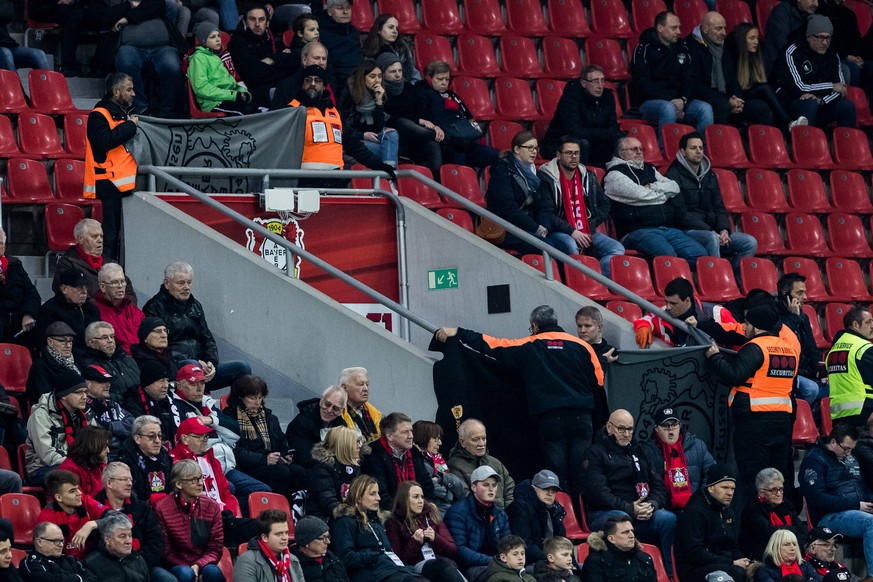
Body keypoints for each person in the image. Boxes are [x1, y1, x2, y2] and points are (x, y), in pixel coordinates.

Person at [435, 305, 604, 495]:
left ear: (535, 326)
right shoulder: (584, 347)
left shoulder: (529, 345)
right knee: (582, 473)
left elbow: (493, 345)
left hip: (549, 419)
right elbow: (598, 383)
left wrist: (459, 332)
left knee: (557, 476)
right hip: (582, 418)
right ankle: (584, 519)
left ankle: (564, 518)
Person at [705, 305, 797, 501]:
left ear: (756, 327)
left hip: (755, 422)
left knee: (753, 477)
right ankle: (782, 519)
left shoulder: (755, 347)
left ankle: (757, 523)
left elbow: (735, 375)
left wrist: (714, 357)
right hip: (782, 420)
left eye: (747, 324)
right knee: (778, 477)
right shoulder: (789, 349)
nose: (744, 328)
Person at [582, 409, 676, 578]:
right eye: (621, 429)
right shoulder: (596, 452)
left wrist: (652, 505)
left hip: (641, 512)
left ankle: (668, 575)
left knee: (668, 519)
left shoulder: (640, 451)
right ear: (609, 427)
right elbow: (598, 493)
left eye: (630, 429)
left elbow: (659, 487)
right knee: (621, 520)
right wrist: (629, 508)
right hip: (606, 513)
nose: (627, 434)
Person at [142, 261, 252, 390]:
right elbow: (158, 348)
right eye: (181, 283)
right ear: (167, 283)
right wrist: (194, 363)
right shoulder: (153, 308)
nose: (186, 287)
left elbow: (208, 339)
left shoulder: (196, 306)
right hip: (176, 367)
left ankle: (238, 409)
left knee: (242, 367)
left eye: (189, 282)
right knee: (192, 365)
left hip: (202, 367)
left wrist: (211, 362)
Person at [289, 64, 397, 189]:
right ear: (302, 84)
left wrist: (381, 166)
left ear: (324, 86)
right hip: (303, 180)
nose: (312, 84)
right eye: (307, 80)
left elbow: (353, 145)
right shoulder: (292, 110)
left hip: (336, 179)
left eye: (317, 80)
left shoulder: (334, 112)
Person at [604, 136, 708, 263]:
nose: (639, 152)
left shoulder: (649, 169)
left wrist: (652, 186)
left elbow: (674, 186)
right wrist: (664, 195)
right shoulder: (614, 174)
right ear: (621, 153)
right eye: (634, 149)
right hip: (636, 230)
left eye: (641, 149)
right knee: (668, 256)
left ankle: (685, 280)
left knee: (700, 255)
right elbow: (641, 194)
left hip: (666, 228)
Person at [664, 133, 757, 274]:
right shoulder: (672, 176)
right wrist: (711, 231)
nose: (698, 151)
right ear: (683, 152)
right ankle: (718, 280)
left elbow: (719, 206)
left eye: (701, 148)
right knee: (712, 239)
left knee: (750, 242)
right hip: (687, 230)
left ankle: (735, 281)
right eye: (693, 148)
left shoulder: (709, 174)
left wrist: (724, 230)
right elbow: (681, 214)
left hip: (713, 229)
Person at [537, 136, 625, 277]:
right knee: (571, 246)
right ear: (558, 155)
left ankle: (598, 281)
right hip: (560, 231)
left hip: (586, 229)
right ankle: (578, 284)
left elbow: (605, 205)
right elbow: (547, 214)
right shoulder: (547, 178)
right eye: (569, 153)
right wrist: (572, 231)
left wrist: (591, 222)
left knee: (616, 248)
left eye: (577, 153)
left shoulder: (588, 176)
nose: (574, 157)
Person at [485, 131, 580, 257]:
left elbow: (543, 207)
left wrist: (544, 228)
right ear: (517, 149)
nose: (534, 152)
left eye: (536, 148)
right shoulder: (503, 172)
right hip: (507, 228)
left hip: (529, 227)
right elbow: (508, 208)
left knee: (563, 247)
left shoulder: (536, 174)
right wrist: (536, 228)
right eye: (529, 148)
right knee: (551, 248)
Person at [798, 423, 873, 567]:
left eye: (852, 449)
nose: (849, 454)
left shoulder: (850, 458)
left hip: (857, 510)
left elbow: (863, 487)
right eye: (846, 449)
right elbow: (818, 499)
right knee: (871, 523)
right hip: (828, 517)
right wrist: (856, 505)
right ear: (833, 442)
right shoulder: (814, 460)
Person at [331, 474, 429, 582]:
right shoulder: (345, 522)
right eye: (373, 494)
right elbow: (345, 558)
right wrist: (374, 555)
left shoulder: (377, 521)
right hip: (370, 574)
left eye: (378, 493)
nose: (379, 498)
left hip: (390, 570)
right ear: (359, 497)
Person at [224, 374, 306, 500]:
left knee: (298, 471)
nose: (257, 402)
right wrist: (264, 459)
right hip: (247, 467)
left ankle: (293, 509)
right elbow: (235, 453)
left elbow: (281, 441)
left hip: (270, 462)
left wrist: (285, 454)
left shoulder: (270, 417)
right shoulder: (230, 419)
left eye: (260, 397)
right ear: (240, 397)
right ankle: (274, 510)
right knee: (281, 473)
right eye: (252, 398)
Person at [630, 11, 714, 135]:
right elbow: (643, 84)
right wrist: (673, 102)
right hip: (650, 103)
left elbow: (691, 79)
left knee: (705, 109)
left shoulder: (683, 48)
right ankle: (668, 151)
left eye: (679, 27)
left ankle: (701, 150)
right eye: (674, 28)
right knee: (667, 108)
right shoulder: (643, 49)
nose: (679, 32)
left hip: (680, 102)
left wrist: (683, 100)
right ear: (660, 28)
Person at [83, 76, 139, 261]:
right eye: (129, 89)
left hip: (125, 185)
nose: (133, 94)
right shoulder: (98, 115)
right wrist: (130, 126)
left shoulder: (122, 115)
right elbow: (104, 142)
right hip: (109, 183)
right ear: (116, 91)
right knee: (110, 236)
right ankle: (107, 273)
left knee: (123, 237)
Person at [685, 12, 775, 126]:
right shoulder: (691, 47)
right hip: (705, 99)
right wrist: (728, 101)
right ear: (705, 29)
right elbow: (696, 84)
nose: (723, 33)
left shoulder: (722, 48)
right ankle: (720, 142)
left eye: (724, 28)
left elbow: (732, 79)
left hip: (726, 98)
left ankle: (755, 141)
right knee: (721, 105)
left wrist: (738, 100)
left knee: (761, 107)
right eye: (718, 28)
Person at [94, 461, 174, 582]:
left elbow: (156, 541)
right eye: (124, 479)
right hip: (108, 568)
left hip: (143, 563)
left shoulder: (142, 508)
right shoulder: (94, 509)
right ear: (109, 483)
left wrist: (137, 562)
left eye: (130, 480)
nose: (129, 483)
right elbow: (95, 545)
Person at [774, 15, 857, 129]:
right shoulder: (792, 52)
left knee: (847, 106)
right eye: (820, 37)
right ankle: (802, 142)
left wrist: (821, 100)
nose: (824, 42)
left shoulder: (832, 55)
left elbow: (841, 89)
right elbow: (798, 87)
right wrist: (830, 86)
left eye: (828, 38)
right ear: (809, 36)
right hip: (793, 101)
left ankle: (846, 144)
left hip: (821, 102)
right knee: (809, 103)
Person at [415, 61, 499, 170]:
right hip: (447, 145)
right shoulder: (422, 95)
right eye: (440, 79)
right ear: (429, 79)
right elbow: (426, 121)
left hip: (466, 142)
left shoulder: (452, 95)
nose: (444, 82)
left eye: (447, 79)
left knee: (499, 157)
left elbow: (469, 118)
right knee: (461, 163)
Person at [674, 463, 749, 582]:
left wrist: (742, 560)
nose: (730, 493)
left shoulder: (727, 510)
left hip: (721, 562)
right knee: (737, 573)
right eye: (724, 488)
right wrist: (732, 562)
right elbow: (695, 553)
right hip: (694, 569)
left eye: (732, 488)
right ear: (711, 488)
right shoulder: (695, 511)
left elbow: (732, 544)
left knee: (754, 571)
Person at [155, 459, 225, 582]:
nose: (200, 483)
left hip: (204, 563)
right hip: (177, 564)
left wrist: (198, 565)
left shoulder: (212, 507)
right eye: (194, 480)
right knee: (185, 573)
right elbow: (165, 550)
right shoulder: (162, 508)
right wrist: (188, 567)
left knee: (213, 572)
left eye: (200, 478)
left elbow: (215, 548)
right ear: (179, 484)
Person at [726, 23, 806, 129]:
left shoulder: (756, 56)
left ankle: (781, 134)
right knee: (764, 88)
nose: (756, 42)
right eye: (751, 38)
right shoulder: (731, 57)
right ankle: (789, 123)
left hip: (748, 96)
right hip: (736, 99)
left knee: (770, 100)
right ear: (741, 40)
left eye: (757, 38)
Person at [378, 53, 443, 180]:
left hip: (415, 135)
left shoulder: (409, 88)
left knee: (432, 146)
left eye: (400, 70)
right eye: (392, 71)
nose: (398, 74)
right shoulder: (379, 90)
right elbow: (390, 117)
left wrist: (424, 122)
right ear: (383, 73)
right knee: (401, 122)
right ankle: (437, 135)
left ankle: (436, 188)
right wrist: (419, 121)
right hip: (394, 134)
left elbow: (418, 112)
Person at [25, 371, 96, 486]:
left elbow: (96, 444)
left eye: (86, 392)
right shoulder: (41, 415)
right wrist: (78, 464)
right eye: (79, 393)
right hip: (42, 469)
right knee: (75, 474)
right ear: (64, 395)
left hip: (78, 464)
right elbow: (47, 455)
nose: (85, 397)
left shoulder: (85, 413)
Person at [641, 406, 716, 512]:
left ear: (680, 425)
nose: (671, 429)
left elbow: (712, 473)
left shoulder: (697, 446)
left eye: (674, 425)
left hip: (696, 506)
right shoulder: (647, 451)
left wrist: (701, 499)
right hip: (664, 508)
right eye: (665, 426)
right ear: (656, 429)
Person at [385, 481, 463, 582]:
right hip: (417, 567)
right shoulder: (394, 522)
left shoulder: (432, 514)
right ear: (404, 499)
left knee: (447, 565)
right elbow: (399, 560)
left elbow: (453, 549)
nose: (421, 501)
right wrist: (415, 542)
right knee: (443, 564)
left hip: (444, 565)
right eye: (416, 497)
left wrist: (435, 538)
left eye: (422, 497)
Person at [443, 466, 511, 581]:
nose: (491, 489)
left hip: (497, 563)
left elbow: (509, 544)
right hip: (469, 567)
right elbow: (459, 550)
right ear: (473, 487)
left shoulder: (500, 513)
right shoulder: (457, 512)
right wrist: (493, 560)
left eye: (494, 485)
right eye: (486, 485)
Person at [541, 66, 620, 165]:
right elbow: (574, 131)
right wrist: (605, 134)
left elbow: (613, 127)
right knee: (582, 144)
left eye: (602, 81)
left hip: (594, 141)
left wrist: (608, 134)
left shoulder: (608, 97)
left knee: (620, 142)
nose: (600, 86)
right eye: (595, 81)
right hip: (559, 142)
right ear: (583, 83)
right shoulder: (571, 98)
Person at [228, 3, 297, 109]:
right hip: (253, 93)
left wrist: (271, 59)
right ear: (244, 21)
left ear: (267, 22)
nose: (257, 24)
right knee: (287, 95)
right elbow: (253, 75)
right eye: (252, 19)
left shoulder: (271, 38)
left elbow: (292, 61)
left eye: (261, 20)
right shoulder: (237, 41)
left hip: (278, 85)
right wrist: (278, 62)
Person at [362, 412, 436, 510]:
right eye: (405, 432)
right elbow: (382, 496)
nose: (411, 436)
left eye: (411, 431)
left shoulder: (415, 452)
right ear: (389, 436)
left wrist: (426, 508)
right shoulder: (374, 455)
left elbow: (427, 486)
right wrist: (405, 511)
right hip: (389, 513)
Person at [634, 277, 736, 349]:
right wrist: (643, 327)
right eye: (666, 301)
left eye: (673, 303)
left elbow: (739, 341)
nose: (668, 307)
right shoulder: (663, 312)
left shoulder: (717, 313)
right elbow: (647, 320)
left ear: (687, 301)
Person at [53, 220, 136, 303]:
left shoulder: (111, 264)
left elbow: (129, 292)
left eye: (101, 236)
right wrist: (101, 309)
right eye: (94, 236)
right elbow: (67, 292)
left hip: (116, 313)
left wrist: (124, 308)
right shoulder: (68, 263)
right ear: (80, 239)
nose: (100, 240)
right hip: (87, 314)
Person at [339, 59, 399, 170]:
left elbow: (378, 128)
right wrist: (362, 135)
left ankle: (388, 174)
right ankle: (390, 176)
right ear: (362, 78)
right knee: (386, 150)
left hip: (371, 139)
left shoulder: (376, 94)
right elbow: (342, 128)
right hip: (353, 142)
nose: (377, 81)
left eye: (380, 76)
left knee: (392, 134)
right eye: (372, 76)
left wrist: (379, 101)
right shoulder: (349, 93)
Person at [37, 469, 110, 560]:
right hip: (64, 563)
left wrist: (91, 524)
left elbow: (119, 518)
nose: (79, 493)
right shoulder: (47, 517)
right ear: (59, 497)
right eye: (72, 491)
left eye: (78, 489)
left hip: (91, 558)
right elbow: (48, 553)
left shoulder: (85, 501)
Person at [446, 419, 515, 509]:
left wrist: (505, 515)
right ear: (462, 442)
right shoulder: (453, 465)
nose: (482, 444)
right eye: (476, 439)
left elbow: (510, 490)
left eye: (484, 438)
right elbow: (465, 496)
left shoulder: (495, 462)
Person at [188, 23, 255, 115]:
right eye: (212, 37)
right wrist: (233, 95)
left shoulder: (215, 57)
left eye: (218, 36)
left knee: (257, 107)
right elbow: (201, 88)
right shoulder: (198, 58)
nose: (218, 39)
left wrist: (243, 92)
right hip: (213, 103)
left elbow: (230, 83)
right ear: (203, 41)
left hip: (227, 98)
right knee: (247, 112)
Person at [776, 273, 822, 406]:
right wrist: (793, 318)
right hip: (786, 372)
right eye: (800, 293)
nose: (805, 297)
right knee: (810, 389)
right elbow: (785, 347)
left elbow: (811, 347)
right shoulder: (775, 315)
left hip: (804, 371)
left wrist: (819, 369)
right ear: (785, 294)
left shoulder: (803, 316)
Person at [740, 468, 802, 563]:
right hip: (761, 555)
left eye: (781, 489)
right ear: (761, 492)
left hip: (784, 550)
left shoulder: (785, 505)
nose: (779, 493)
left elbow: (802, 529)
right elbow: (771, 534)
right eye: (773, 490)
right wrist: (793, 529)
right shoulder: (752, 509)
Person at [36, 270, 101, 359]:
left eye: (85, 287)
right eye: (79, 288)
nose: (84, 292)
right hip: (67, 358)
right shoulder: (49, 310)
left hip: (93, 357)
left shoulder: (91, 308)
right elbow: (45, 344)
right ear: (64, 289)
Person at [306, 426, 366, 521]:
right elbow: (329, 502)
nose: (359, 446)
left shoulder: (355, 467)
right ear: (343, 446)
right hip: (325, 519)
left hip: (347, 516)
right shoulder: (322, 469)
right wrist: (352, 513)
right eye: (355, 443)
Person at [826, 306, 873, 426]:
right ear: (855, 325)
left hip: (839, 414)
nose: (872, 326)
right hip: (865, 412)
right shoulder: (864, 348)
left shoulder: (833, 351)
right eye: (868, 322)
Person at [506, 471, 566, 564]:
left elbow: (562, 543)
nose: (550, 493)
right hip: (529, 562)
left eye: (553, 490)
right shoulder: (520, 507)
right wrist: (551, 560)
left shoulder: (556, 510)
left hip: (551, 560)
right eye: (545, 489)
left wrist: (571, 564)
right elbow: (524, 543)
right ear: (534, 488)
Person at [114, 415, 174, 504]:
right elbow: (130, 497)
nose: (157, 441)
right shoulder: (125, 461)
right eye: (151, 436)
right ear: (138, 439)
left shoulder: (165, 458)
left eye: (159, 436)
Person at [579, 515, 657, 582]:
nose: (631, 535)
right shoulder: (595, 562)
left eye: (632, 531)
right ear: (611, 539)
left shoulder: (645, 559)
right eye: (625, 532)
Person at [285, 385, 348, 468]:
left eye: (335, 408)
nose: (329, 410)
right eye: (327, 404)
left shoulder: (342, 427)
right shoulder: (301, 421)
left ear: (341, 411)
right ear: (321, 401)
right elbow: (303, 458)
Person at [233, 509, 304, 582]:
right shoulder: (246, 562)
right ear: (265, 537)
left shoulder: (293, 560)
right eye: (279, 534)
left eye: (286, 533)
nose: (285, 538)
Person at [412, 420, 466, 514]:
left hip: (449, 508)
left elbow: (460, 487)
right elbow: (437, 491)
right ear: (423, 438)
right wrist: (449, 488)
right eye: (435, 439)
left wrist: (442, 478)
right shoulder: (416, 462)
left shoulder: (438, 458)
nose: (440, 443)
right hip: (434, 511)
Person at [121, 360, 178, 442]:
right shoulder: (133, 401)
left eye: (167, 380)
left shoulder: (169, 400)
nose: (166, 385)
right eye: (161, 380)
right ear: (147, 384)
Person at [0, 227, 40, 344]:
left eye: (1, 243)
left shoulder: (15, 265)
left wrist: (28, 314)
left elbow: (32, 293)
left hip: (18, 321)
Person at [93, 264, 143, 356]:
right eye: (114, 282)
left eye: (122, 281)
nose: (120, 286)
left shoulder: (132, 309)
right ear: (102, 287)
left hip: (140, 357)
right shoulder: (94, 310)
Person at [26, 322, 80, 406]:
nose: (68, 345)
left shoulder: (75, 365)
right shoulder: (40, 367)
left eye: (70, 341)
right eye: (62, 341)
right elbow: (44, 398)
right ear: (50, 342)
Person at [83, 513, 150, 582]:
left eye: (130, 536)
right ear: (107, 540)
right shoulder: (91, 564)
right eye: (122, 536)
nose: (128, 541)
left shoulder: (137, 559)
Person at [19, 522, 96, 582]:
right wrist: (78, 578)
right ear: (39, 542)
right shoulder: (31, 563)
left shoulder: (70, 560)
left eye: (62, 541)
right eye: (56, 541)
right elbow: (49, 580)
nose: (61, 545)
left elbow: (92, 578)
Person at [316, 0, 364, 91]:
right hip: (338, 84)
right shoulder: (321, 33)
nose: (345, 12)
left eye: (348, 8)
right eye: (340, 8)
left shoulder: (353, 31)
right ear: (329, 11)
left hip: (359, 80)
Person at [82, 365, 133, 446]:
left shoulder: (111, 404)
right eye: (102, 381)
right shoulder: (82, 406)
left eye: (109, 381)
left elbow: (132, 424)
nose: (108, 385)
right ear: (87, 384)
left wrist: (109, 426)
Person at [764, 0, 820, 75]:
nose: (816, 4)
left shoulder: (810, 15)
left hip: (801, 64)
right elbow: (783, 47)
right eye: (812, 0)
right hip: (780, 69)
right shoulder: (780, 14)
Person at [289, 515, 349, 582]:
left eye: (328, 537)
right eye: (322, 538)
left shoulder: (333, 560)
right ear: (306, 542)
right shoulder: (293, 565)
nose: (328, 542)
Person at [0, 0, 52, 72]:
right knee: (6, 53)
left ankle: (46, 82)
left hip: (6, 43)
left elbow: (6, 13)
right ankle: (14, 83)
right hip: (4, 50)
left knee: (38, 54)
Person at [364, 14, 419, 82]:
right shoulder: (369, 49)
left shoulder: (402, 46)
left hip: (405, 86)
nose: (395, 31)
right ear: (379, 30)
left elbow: (413, 72)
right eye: (390, 27)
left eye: (397, 28)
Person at [58, 425, 110, 497]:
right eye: (104, 447)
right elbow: (79, 499)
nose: (108, 451)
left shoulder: (98, 464)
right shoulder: (68, 469)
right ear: (92, 446)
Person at [340, 367, 383, 443]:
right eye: (360, 384)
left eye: (367, 384)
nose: (366, 388)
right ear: (344, 387)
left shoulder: (375, 414)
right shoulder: (335, 412)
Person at [130, 317, 178, 382]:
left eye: (165, 331)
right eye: (158, 331)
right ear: (145, 338)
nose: (164, 335)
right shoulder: (137, 362)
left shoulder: (172, 357)